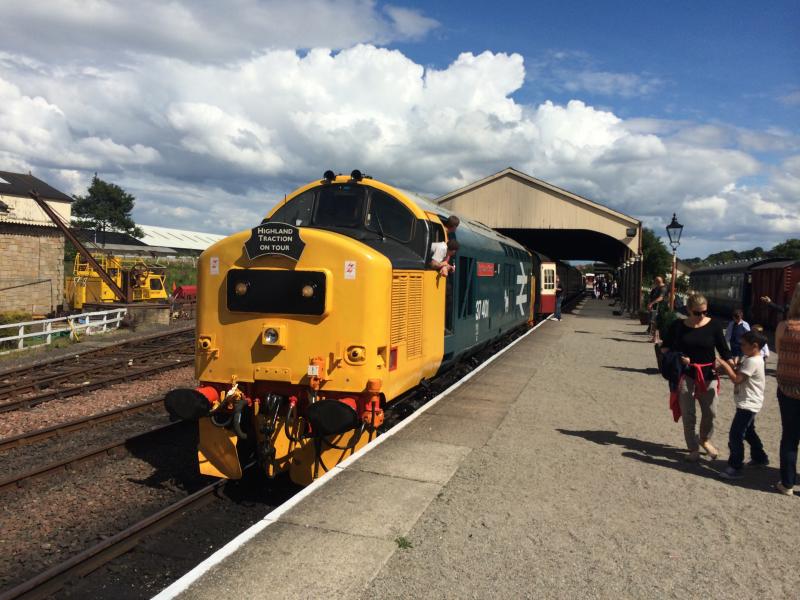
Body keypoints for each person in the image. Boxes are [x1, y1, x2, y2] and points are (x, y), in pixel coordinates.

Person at [660, 293, 734, 462]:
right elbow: (665, 349)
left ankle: (705, 439)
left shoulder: (714, 325)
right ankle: (693, 447)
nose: (701, 316)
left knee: (710, 412)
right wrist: (679, 357)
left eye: (704, 312)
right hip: (686, 375)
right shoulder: (678, 326)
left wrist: (731, 362)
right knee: (689, 414)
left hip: (708, 374)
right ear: (688, 310)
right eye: (697, 313)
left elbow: (723, 348)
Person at [715, 330, 769, 479]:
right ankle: (760, 457)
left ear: (755, 346)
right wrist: (725, 369)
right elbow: (739, 372)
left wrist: (725, 365)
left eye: (744, 344)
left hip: (749, 404)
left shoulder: (753, 360)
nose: (741, 346)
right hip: (749, 402)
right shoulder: (751, 358)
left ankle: (735, 467)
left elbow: (737, 379)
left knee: (736, 435)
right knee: (749, 432)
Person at [774, 282, 800, 496]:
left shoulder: (785, 326)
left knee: (790, 437)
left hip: (789, 388)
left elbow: (780, 353)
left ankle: (787, 484)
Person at [647, 276, 667, 343]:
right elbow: (651, 296)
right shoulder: (656, 288)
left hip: (660, 307)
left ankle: (656, 338)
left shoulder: (663, 288)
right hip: (655, 307)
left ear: (658, 281)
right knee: (654, 322)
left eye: (655, 281)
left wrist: (651, 303)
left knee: (656, 322)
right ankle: (655, 337)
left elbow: (661, 297)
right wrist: (650, 304)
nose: (654, 282)